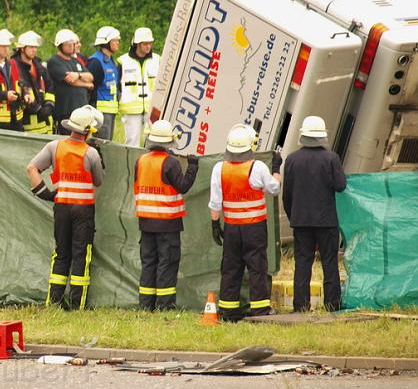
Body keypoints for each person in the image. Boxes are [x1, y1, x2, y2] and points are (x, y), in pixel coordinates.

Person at [26, 105, 105, 309]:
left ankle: (54, 301)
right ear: (87, 131)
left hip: (61, 207)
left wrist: (44, 192)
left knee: (61, 253)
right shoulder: (91, 153)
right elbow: (98, 182)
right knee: (81, 254)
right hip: (83, 210)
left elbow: (31, 168)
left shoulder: (54, 147)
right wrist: (99, 158)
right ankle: (77, 304)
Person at [209, 124, 281, 320]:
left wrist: (215, 225)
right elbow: (274, 188)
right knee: (257, 267)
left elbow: (215, 201)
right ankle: (260, 309)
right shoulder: (257, 167)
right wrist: (276, 168)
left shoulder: (219, 169)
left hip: (231, 228)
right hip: (255, 227)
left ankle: (228, 310)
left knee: (231, 268)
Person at [132, 120, 199, 310]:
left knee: (149, 263)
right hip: (167, 224)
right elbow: (183, 186)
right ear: (169, 141)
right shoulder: (170, 163)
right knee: (167, 264)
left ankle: (146, 305)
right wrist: (193, 166)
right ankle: (165, 305)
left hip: (145, 223)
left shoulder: (141, 161)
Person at [283, 116, 347, 312]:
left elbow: (287, 194)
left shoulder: (292, 159)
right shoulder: (331, 158)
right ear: (322, 136)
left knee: (302, 262)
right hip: (326, 220)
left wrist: (294, 215)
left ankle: (300, 306)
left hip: (301, 221)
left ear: (303, 136)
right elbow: (341, 185)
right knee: (329, 262)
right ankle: (332, 304)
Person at [119, 27, 161, 147]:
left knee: (154, 142)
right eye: (145, 44)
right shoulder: (123, 61)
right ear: (137, 43)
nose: (148, 46)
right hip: (131, 111)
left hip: (153, 109)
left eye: (150, 43)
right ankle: (132, 165)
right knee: (132, 142)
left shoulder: (158, 60)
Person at [46, 29, 93, 135]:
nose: (72, 46)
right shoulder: (54, 61)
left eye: (73, 43)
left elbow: (90, 76)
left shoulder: (75, 61)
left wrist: (78, 75)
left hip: (82, 111)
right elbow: (70, 80)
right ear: (60, 45)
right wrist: (87, 84)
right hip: (66, 111)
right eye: (68, 44)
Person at [12, 31, 54, 134]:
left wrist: (49, 105)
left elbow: (50, 87)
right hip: (27, 123)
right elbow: (19, 90)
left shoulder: (39, 66)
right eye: (31, 47)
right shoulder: (14, 67)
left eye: (35, 47)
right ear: (22, 48)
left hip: (46, 123)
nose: (34, 50)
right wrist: (38, 109)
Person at [87, 26, 122, 140]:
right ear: (106, 42)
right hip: (100, 111)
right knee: (101, 144)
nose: (118, 43)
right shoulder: (95, 62)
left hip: (111, 111)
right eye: (115, 40)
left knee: (108, 144)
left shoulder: (111, 61)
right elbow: (91, 88)